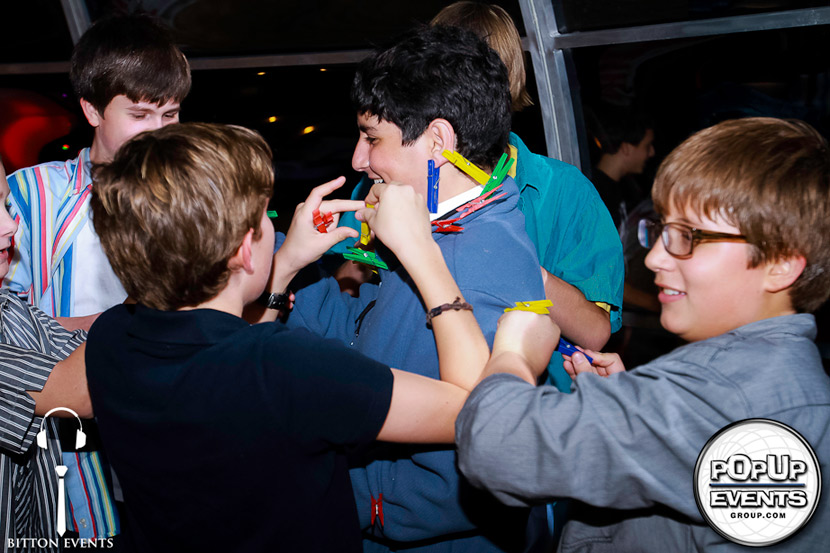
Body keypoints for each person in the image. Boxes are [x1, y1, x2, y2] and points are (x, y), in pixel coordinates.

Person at [84, 122, 500, 552]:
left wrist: (283, 267)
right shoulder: (292, 368)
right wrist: (421, 251)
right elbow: (478, 412)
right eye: (266, 216)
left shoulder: (110, 338)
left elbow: (223, 377)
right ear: (245, 250)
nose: (273, 222)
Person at [455, 117, 830, 551]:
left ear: (781, 263)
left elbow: (495, 449)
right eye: (660, 230)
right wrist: (631, 404)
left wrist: (514, 357)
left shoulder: (712, 394)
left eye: (688, 236)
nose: (654, 259)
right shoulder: (791, 385)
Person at [281, 25, 545, 553]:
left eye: (372, 137)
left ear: (439, 141)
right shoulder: (433, 230)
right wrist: (296, 269)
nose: (358, 160)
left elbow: (480, 426)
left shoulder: (479, 258)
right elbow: (366, 344)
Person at [337, 2, 623, 392]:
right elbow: (351, 289)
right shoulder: (382, 183)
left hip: (524, 398)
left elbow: (595, 332)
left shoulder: (562, 189)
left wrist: (514, 267)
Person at [2, 14, 191, 541]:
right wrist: (140, 321)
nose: (157, 132)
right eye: (139, 114)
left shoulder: (191, 200)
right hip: (62, 445)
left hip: (167, 439)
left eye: (170, 114)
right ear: (90, 109)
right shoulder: (32, 196)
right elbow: (10, 329)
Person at [1, 157, 90, 551]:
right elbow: (77, 390)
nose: (10, 225)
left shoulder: (6, 303)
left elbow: (73, 335)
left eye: (5, 206)